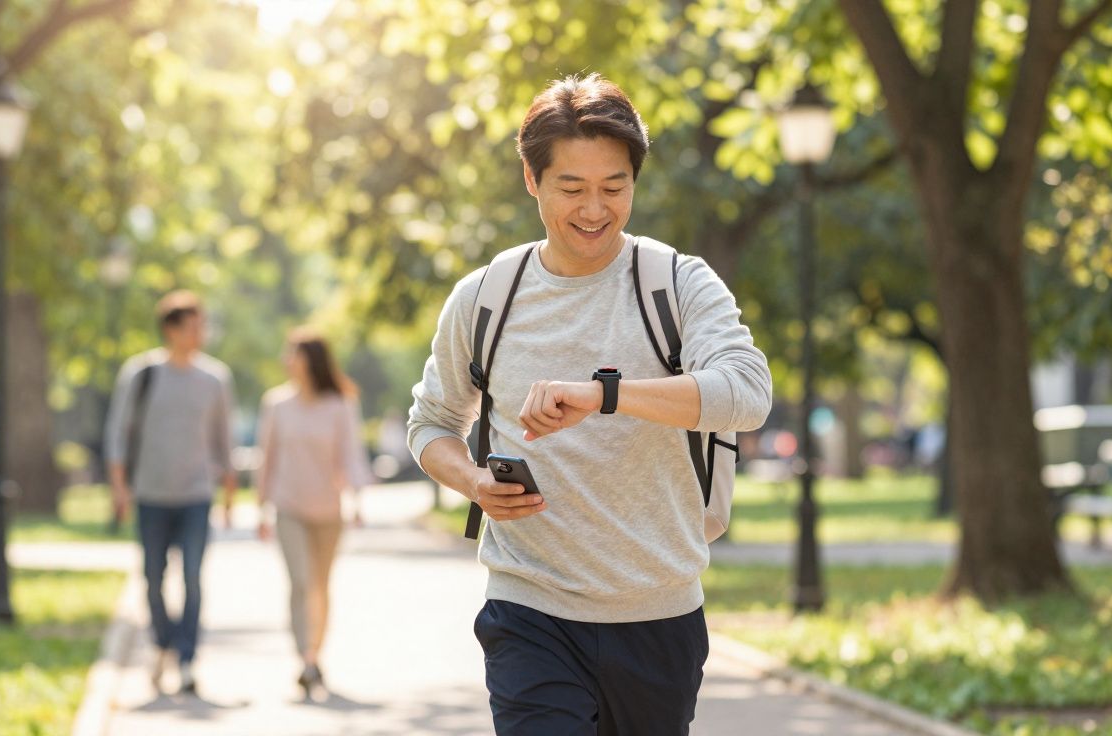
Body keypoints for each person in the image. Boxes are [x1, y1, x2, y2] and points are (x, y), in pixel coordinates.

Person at [407, 73, 772, 734]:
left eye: (615, 187)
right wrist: (473, 481)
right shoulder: (487, 297)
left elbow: (747, 392)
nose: (594, 210)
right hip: (529, 607)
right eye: (571, 188)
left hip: (657, 614)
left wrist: (605, 395)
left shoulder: (677, 284)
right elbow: (432, 420)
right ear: (532, 179)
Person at [104, 290, 236, 694]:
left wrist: (229, 492)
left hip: (196, 494)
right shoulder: (141, 373)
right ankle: (162, 642)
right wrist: (119, 487)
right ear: (170, 329)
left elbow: (223, 440)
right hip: (151, 494)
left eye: (202, 325)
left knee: (193, 578)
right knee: (153, 578)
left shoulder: (215, 378)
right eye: (191, 326)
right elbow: (118, 432)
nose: (199, 333)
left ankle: (187, 657)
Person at [257, 329, 372, 698]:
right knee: (302, 582)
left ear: (311, 360)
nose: (287, 361)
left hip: (328, 511)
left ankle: (315, 655)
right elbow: (267, 457)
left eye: (294, 354)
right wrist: (260, 507)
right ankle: (305, 659)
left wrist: (356, 501)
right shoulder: (276, 404)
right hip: (288, 507)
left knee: (320, 587)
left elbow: (351, 455)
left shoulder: (340, 404)